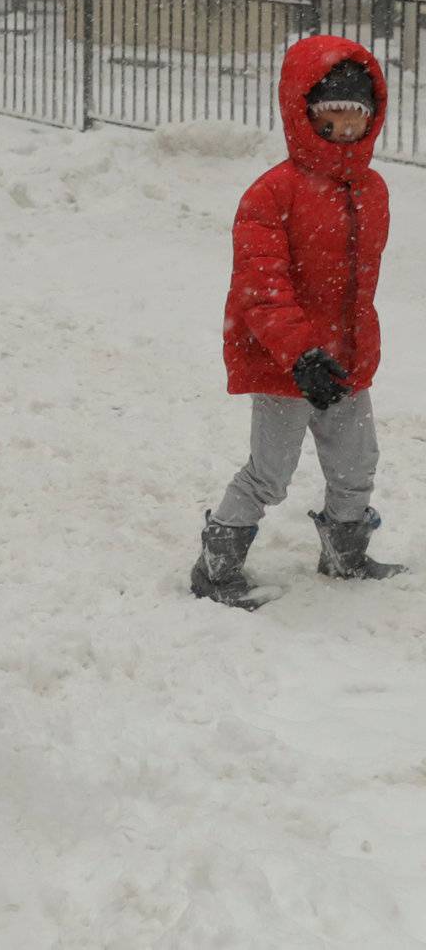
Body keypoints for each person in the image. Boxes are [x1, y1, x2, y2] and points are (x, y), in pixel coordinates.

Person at [192, 34, 403, 606]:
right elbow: (262, 287)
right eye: (330, 115)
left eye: (356, 115)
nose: (344, 127)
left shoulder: (373, 189)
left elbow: (357, 285)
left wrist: (348, 353)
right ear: (304, 114)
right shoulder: (272, 193)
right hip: (286, 363)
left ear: (372, 117)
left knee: (357, 466)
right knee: (269, 474)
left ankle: (345, 554)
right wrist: (302, 353)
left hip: (347, 362)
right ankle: (216, 566)